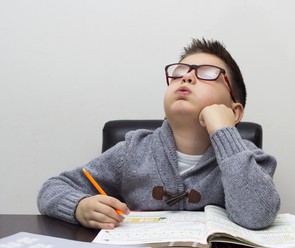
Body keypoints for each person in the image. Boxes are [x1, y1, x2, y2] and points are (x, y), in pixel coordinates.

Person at [37, 38, 280, 230]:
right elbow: (52, 188)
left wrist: (225, 132)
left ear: (234, 111)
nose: (186, 76)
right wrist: (79, 207)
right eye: (180, 71)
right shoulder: (133, 150)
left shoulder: (251, 159)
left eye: (207, 73)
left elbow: (257, 216)